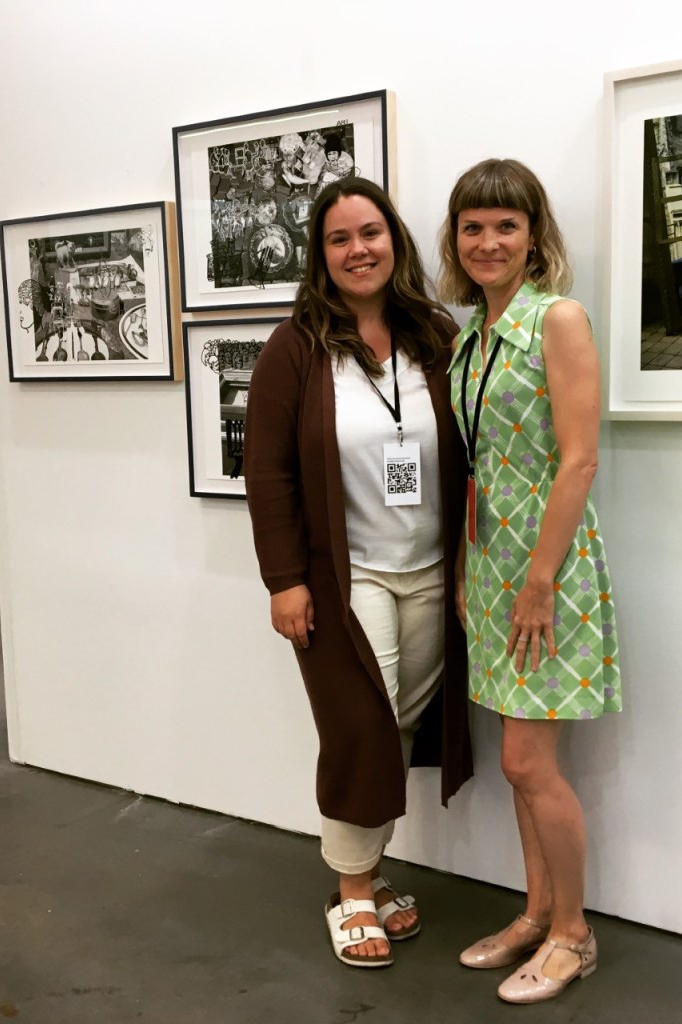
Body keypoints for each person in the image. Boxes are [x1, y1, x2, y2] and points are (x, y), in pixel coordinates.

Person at [244, 177, 473, 969]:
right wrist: (283, 579)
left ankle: (368, 875)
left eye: (369, 232)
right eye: (338, 238)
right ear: (321, 254)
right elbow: (267, 474)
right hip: (347, 581)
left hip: (434, 572)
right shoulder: (295, 347)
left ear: (394, 240)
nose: (357, 250)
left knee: (399, 725)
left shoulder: (435, 334)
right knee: (360, 729)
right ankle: (351, 890)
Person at [438, 158, 622, 1004]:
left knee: (527, 760)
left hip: (546, 572)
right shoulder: (471, 336)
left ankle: (574, 935)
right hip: (491, 569)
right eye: (472, 226)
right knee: (520, 766)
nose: (488, 241)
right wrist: (471, 568)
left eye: (505, 225)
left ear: (533, 234)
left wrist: (541, 580)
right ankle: (538, 912)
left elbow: (579, 459)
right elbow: (478, 464)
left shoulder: (558, 319)